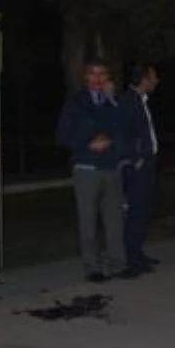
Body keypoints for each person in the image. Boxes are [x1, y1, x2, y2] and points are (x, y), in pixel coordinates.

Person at [56, 59, 129, 282]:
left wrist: (113, 101)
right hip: (87, 168)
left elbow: (125, 129)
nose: (98, 79)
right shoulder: (76, 103)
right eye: (93, 74)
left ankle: (118, 263)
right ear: (86, 77)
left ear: (108, 78)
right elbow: (62, 135)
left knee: (114, 220)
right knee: (88, 220)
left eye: (102, 74)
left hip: (111, 168)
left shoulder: (112, 102)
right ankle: (93, 267)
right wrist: (87, 143)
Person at [120, 64, 161, 274]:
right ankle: (132, 259)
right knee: (136, 211)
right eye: (153, 77)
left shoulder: (140, 101)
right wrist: (135, 159)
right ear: (143, 80)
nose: (156, 81)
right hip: (138, 166)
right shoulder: (129, 101)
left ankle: (138, 253)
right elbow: (121, 134)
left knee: (143, 210)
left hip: (147, 162)